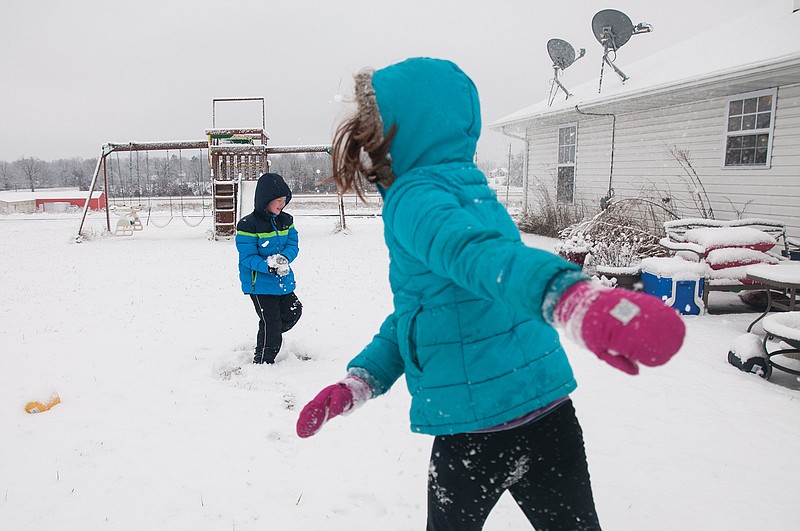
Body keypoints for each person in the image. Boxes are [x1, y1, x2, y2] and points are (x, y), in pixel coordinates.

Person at [295, 57, 685, 530]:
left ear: (399, 131)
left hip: (473, 434)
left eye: (369, 124)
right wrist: (362, 380)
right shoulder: (473, 189)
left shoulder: (413, 199)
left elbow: (479, 258)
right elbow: (426, 314)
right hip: (548, 414)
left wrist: (573, 298)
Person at [236, 172, 302, 364]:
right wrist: (269, 266)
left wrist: (284, 259)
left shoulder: (286, 221)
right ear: (265, 200)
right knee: (271, 323)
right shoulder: (248, 225)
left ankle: (269, 333)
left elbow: (293, 243)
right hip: (260, 283)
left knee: (293, 311)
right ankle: (263, 361)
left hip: (282, 280)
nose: (282, 204)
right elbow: (247, 257)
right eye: (278, 201)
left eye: (284, 200)